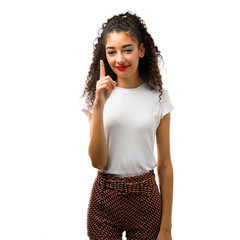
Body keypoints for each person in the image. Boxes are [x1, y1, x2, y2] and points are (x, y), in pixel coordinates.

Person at [81, 11, 174, 240]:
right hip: (105, 201)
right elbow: (98, 161)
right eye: (112, 52)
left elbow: (165, 166)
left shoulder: (159, 97)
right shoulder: (97, 96)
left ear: (141, 50)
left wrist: (167, 228)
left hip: (146, 200)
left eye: (127, 49)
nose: (119, 59)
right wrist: (100, 107)